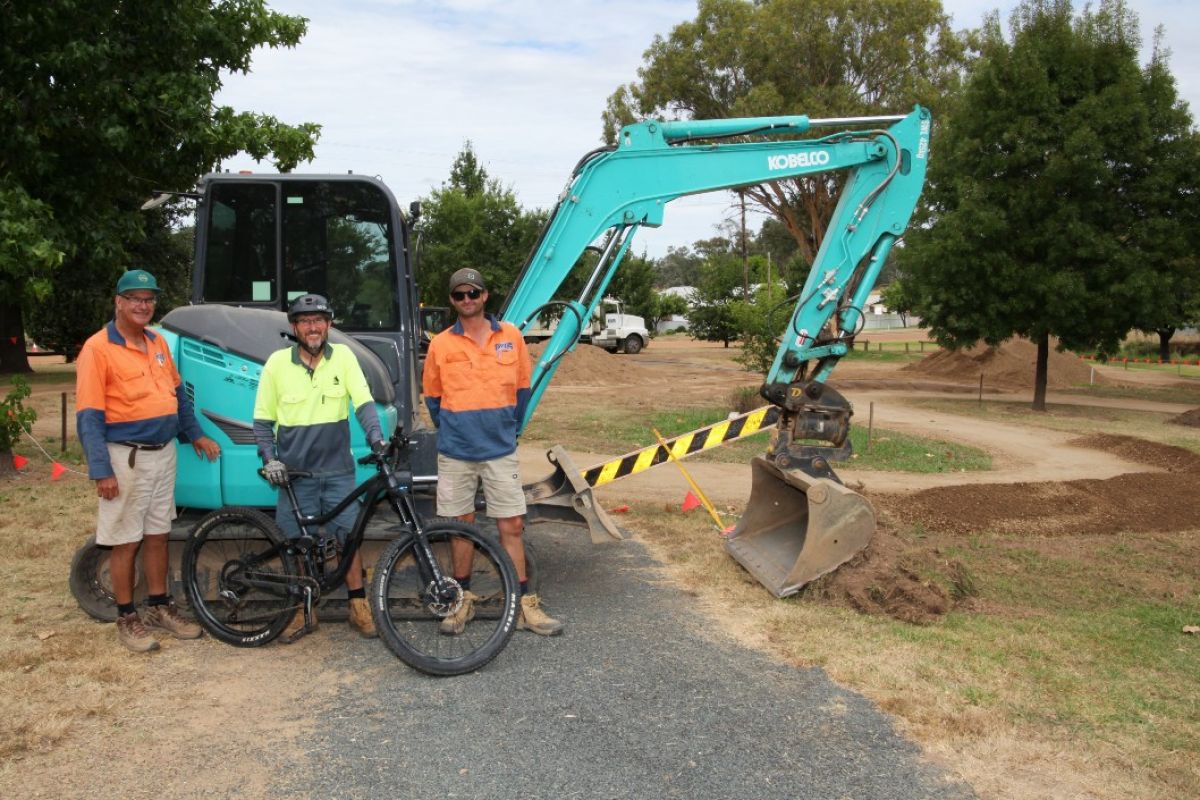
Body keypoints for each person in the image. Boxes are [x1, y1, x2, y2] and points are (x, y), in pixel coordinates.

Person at [76, 269, 221, 653]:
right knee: (125, 541)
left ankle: (160, 607)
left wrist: (197, 434)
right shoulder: (97, 348)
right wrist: (101, 469)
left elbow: (177, 396)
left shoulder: (157, 342)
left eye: (149, 299)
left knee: (157, 535)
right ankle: (127, 617)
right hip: (126, 457)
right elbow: (89, 416)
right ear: (119, 303)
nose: (143, 306)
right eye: (135, 299)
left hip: (163, 454)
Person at [422, 267, 563, 637]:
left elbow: (522, 390)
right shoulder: (440, 344)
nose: (467, 300)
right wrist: (456, 429)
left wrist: (506, 428)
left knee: (511, 524)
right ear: (452, 301)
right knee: (459, 526)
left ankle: (523, 605)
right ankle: (462, 600)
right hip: (456, 452)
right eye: (459, 295)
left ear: (485, 296)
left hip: (500, 450)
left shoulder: (511, 336)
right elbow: (433, 398)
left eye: (473, 293)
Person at [253, 293, 385, 641]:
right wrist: (271, 460)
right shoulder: (277, 365)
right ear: (295, 328)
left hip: (338, 471)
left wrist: (377, 440)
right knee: (295, 544)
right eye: (305, 321)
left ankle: (357, 606)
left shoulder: (343, 357)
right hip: (295, 476)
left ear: (328, 325)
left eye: (318, 320)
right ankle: (301, 611)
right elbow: (262, 423)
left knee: (349, 539)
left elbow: (365, 402)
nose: (312, 327)